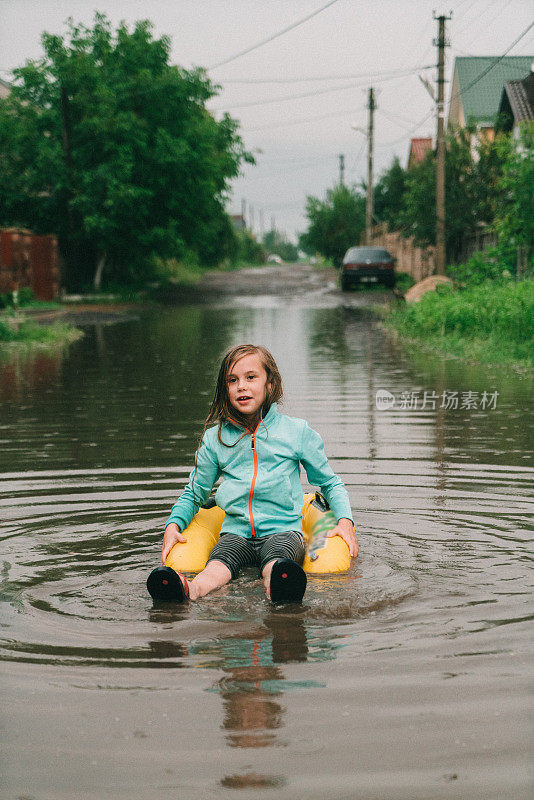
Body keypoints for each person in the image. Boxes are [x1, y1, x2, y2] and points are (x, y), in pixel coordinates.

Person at [148, 344, 357, 605]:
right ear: (225, 389)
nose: (241, 386)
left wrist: (345, 522)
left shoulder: (295, 432)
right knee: (216, 567)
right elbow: (195, 492)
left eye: (250, 377)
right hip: (235, 533)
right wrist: (172, 526)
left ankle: (279, 587)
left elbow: (329, 483)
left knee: (275, 562)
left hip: (282, 530)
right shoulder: (216, 439)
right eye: (232, 380)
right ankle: (189, 590)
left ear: (270, 384)